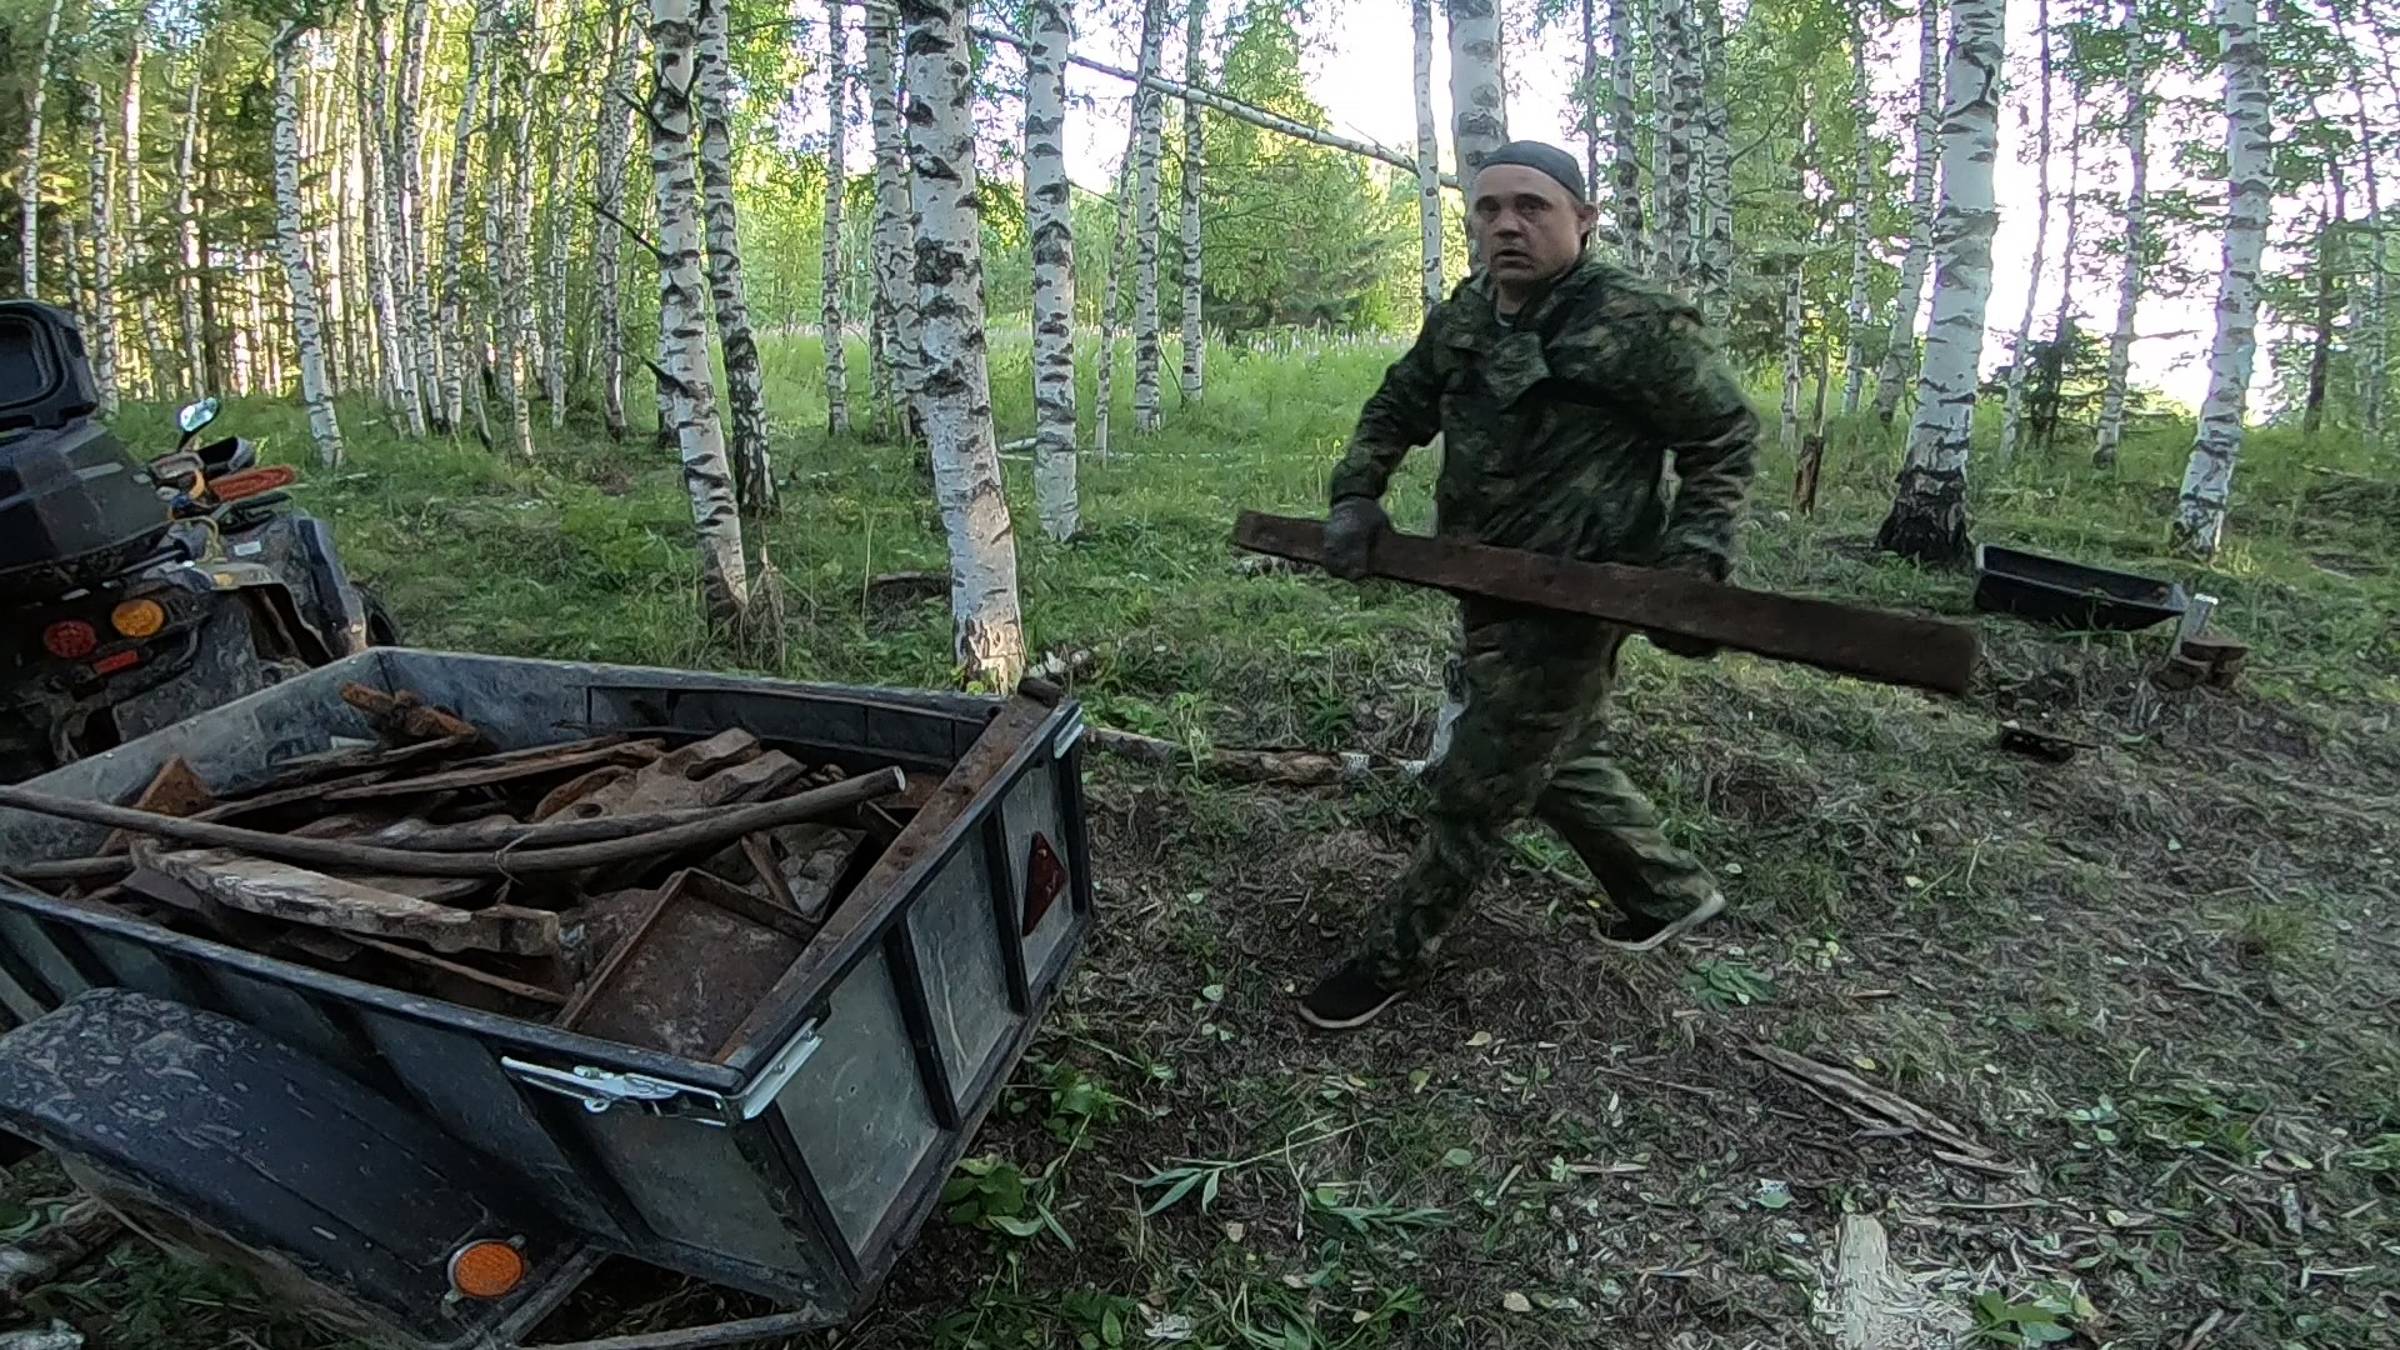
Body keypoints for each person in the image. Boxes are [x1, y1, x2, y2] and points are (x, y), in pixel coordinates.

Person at [1299, 140, 1761, 1031]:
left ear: (1584, 220)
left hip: (1581, 595)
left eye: (1533, 207)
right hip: (1483, 579)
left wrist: (1694, 562)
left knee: (1479, 782)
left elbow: (1723, 436)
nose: (1507, 223)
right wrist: (1357, 494)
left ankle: (1394, 955)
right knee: (1558, 751)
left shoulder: (1639, 323)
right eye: (1489, 208)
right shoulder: (1468, 314)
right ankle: (1670, 893)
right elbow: (1400, 404)